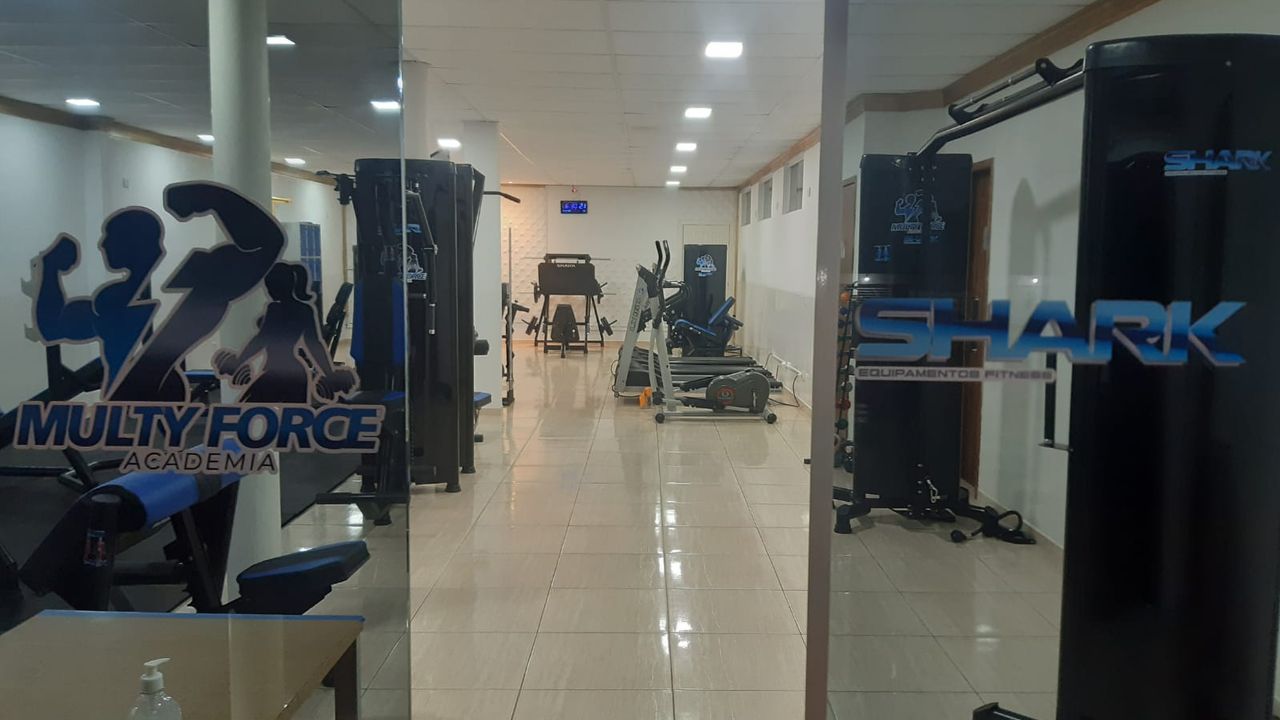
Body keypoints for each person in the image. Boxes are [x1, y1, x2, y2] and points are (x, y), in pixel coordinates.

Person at [31, 208, 164, 392]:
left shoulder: (112, 300)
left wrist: (50, 267)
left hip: (123, 394)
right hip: (121, 394)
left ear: (130, 244)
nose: (102, 244)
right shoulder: (121, 295)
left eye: (109, 236)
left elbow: (52, 329)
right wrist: (50, 268)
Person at [213, 263, 357, 404]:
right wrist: (329, 374)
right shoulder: (304, 310)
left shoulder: (275, 310)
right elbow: (314, 346)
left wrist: (239, 361)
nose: (268, 291)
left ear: (278, 286)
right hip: (296, 374)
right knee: (293, 415)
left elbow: (261, 341)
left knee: (247, 411)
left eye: (269, 287)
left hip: (277, 373)